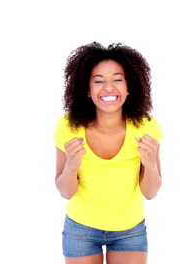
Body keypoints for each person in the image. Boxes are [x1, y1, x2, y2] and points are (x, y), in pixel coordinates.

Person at [54, 42, 163, 264]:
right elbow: (65, 192)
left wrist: (150, 164)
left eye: (117, 79)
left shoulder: (146, 126)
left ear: (129, 86)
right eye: (98, 81)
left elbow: (150, 193)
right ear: (87, 89)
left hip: (129, 231)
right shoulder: (68, 127)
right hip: (81, 230)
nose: (108, 88)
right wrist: (71, 165)